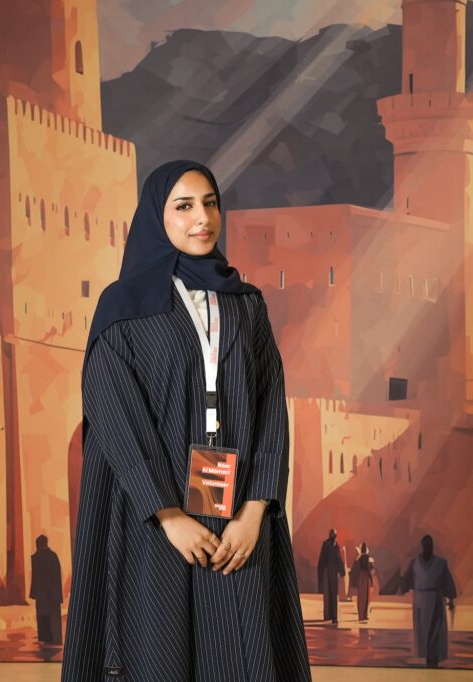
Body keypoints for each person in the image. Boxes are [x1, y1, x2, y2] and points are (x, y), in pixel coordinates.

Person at [62, 160, 311, 681]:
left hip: (237, 519)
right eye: (184, 206)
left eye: (210, 203)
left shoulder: (246, 305)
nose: (203, 218)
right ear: (157, 217)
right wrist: (169, 515)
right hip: (156, 521)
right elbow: (114, 413)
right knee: (160, 656)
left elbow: (270, 408)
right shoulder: (123, 307)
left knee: (238, 654)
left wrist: (254, 512)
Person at [400, 534, 457, 669]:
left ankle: (433, 658)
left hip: (435, 599)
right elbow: (407, 579)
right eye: (426, 545)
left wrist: (451, 599)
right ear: (422, 546)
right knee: (422, 631)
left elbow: (447, 581)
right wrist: (403, 588)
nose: (428, 547)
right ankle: (426, 656)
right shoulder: (415, 563)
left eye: (429, 545)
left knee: (435, 630)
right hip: (420, 600)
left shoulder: (440, 563)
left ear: (432, 547)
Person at [29, 534, 63, 644]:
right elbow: (57, 576)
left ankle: (44, 637)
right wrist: (58, 594)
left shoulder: (35, 558)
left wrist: (33, 593)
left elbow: (34, 577)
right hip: (52, 593)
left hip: (41, 593)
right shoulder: (53, 556)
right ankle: (53, 638)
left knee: (42, 616)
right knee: (52, 617)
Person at [317, 529, 347, 624]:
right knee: (329, 594)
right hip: (327, 571)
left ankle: (333, 616)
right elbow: (323, 559)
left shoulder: (335, 545)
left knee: (332, 594)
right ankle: (329, 616)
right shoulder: (327, 544)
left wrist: (341, 571)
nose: (334, 537)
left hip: (332, 572)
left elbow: (338, 558)